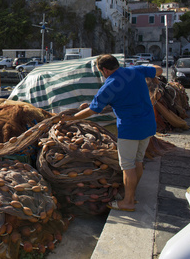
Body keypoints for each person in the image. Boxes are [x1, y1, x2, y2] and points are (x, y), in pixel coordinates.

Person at [63, 54, 163, 212]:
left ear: (104, 70)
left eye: (101, 72)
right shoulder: (135, 70)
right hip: (149, 125)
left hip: (130, 129)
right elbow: (159, 69)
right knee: (138, 161)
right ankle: (132, 195)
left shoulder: (109, 86)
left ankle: (128, 201)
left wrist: (71, 118)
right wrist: (152, 75)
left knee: (128, 166)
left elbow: (93, 111)